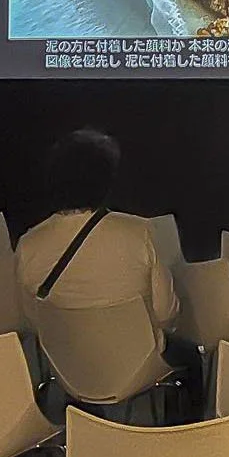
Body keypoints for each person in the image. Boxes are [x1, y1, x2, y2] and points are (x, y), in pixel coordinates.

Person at [15, 128, 180, 325]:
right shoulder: (140, 231)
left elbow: (32, 319)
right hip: (135, 355)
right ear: (107, 180)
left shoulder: (28, 245)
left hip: (64, 355)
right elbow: (166, 313)